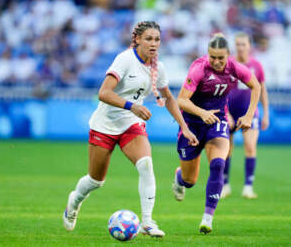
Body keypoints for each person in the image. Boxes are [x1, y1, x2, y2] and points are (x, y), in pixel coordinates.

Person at [63, 21, 199, 237]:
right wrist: (132, 106)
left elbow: (169, 98)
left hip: (131, 125)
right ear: (137, 39)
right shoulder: (125, 60)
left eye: (157, 39)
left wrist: (185, 128)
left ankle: (147, 222)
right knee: (96, 180)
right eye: (148, 39)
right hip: (105, 125)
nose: (153, 44)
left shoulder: (158, 67)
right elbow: (104, 93)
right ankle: (74, 201)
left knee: (146, 164)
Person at [172, 33, 261, 234]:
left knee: (218, 164)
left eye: (221, 58)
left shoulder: (235, 68)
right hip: (192, 123)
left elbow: (256, 85)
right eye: (213, 57)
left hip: (218, 121)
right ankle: (179, 178)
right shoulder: (199, 69)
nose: (217, 61)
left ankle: (207, 219)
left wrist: (248, 116)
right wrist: (202, 113)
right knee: (190, 181)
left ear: (228, 55)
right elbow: (182, 100)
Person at [221, 33, 270, 199]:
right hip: (230, 112)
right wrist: (226, 112)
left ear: (249, 46)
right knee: (226, 149)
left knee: (250, 146)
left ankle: (248, 187)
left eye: (243, 44)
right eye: (238, 44)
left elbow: (262, 89)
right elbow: (221, 90)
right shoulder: (228, 64)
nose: (240, 47)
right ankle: (225, 185)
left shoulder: (256, 65)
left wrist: (266, 114)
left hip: (249, 112)